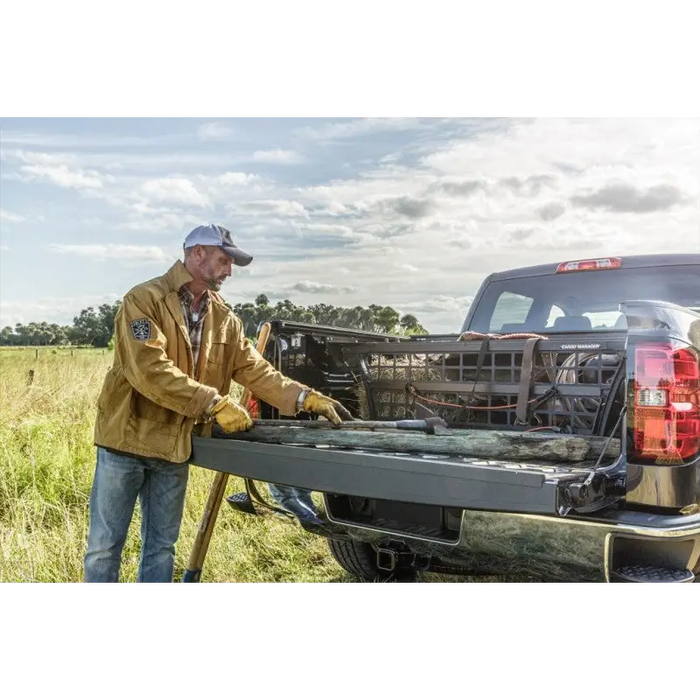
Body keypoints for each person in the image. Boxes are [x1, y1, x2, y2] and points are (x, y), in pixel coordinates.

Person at [84, 223, 352, 585]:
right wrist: (214, 403)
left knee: (161, 546)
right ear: (197, 254)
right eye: (224, 260)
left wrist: (305, 397)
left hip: (174, 447)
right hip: (126, 440)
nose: (228, 271)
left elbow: (254, 369)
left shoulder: (224, 318)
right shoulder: (143, 300)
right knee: (105, 546)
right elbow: (149, 369)